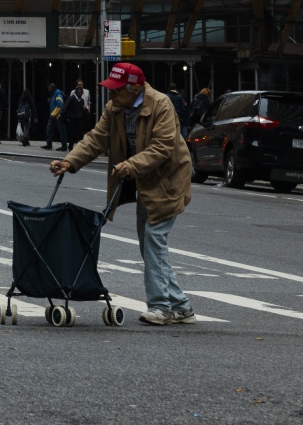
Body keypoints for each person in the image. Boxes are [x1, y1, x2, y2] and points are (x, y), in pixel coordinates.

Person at [52, 61, 196, 325]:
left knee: (153, 240)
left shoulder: (161, 104)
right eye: (111, 90)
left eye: (117, 90)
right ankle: (181, 307)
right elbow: (96, 138)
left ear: (135, 88)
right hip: (143, 181)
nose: (112, 95)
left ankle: (161, 307)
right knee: (150, 244)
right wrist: (70, 161)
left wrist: (130, 165)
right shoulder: (115, 107)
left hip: (167, 182)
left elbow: (163, 147)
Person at [43, 85, 66, 151]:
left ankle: (64, 146)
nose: (48, 90)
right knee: (49, 129)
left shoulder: (58, 94)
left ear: (53, 88)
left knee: (62, 131)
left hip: (58, 116)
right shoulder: (53, 94)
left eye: (50, 88)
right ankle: (49, 144)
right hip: (53, 115)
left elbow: (59, 105)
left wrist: (53, 114)